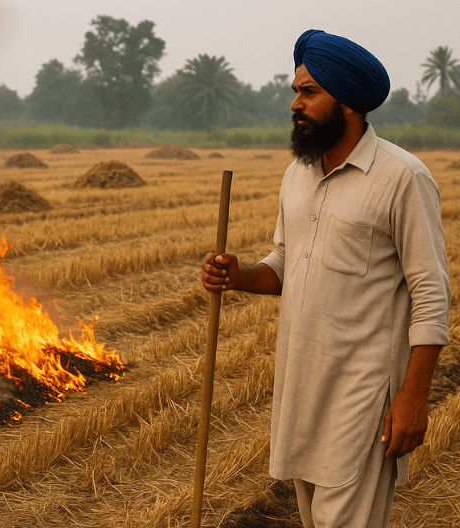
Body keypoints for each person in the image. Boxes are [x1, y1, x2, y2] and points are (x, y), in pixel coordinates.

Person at [201, 29, 451, 527]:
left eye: (309, 92)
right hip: (301, 389)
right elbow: (287, 263)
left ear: (350, 103)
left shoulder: (403, 178)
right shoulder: (298, 173)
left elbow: (431, 294)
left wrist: (413, 396)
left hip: (362, 398)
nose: (295, 103)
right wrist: (239, 276)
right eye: (295, 90)